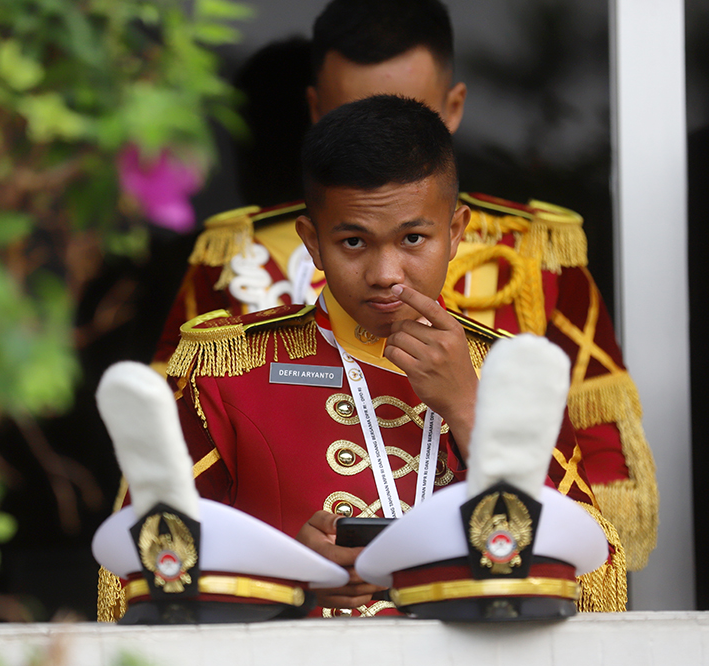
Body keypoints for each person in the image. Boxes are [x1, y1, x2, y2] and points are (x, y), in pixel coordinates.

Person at [151, 0, 656, 573]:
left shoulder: (513, 372)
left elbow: (591, 570)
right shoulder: (225, 362)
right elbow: (151, 556)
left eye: (414, 239)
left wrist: (473, 413)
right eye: (354, 243)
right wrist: (288, 572)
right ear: (312, 242)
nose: (386, 273)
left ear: (454, 231)